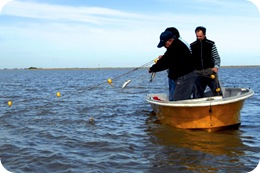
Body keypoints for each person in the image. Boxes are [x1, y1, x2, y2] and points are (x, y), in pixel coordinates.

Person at [149, 30, 197, 101]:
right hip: (186, 76)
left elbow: (165, 62)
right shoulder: (175, 45)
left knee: (178, 101)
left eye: (164, 44)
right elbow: (166, 58)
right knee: (181, 99)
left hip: (185, 77)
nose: (164, 46)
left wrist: (153, 68)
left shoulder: (175, 48)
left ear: (170, 40)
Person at [158, 27, 190, 101]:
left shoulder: (179, 44)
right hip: (176, 71)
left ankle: (174, 103)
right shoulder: (176, 43)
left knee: (176, 91)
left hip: (180, 73)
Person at [190, 26, 222, 98]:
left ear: (204, 34)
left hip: (210, 71)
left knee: (217, 92)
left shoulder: (211, 44)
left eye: (200, 36)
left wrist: (216, 67)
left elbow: (216, 57)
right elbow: (189, 59)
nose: (199, 38)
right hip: (197, 72)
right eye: (197, 36)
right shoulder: (192, 45)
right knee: (197, 94)